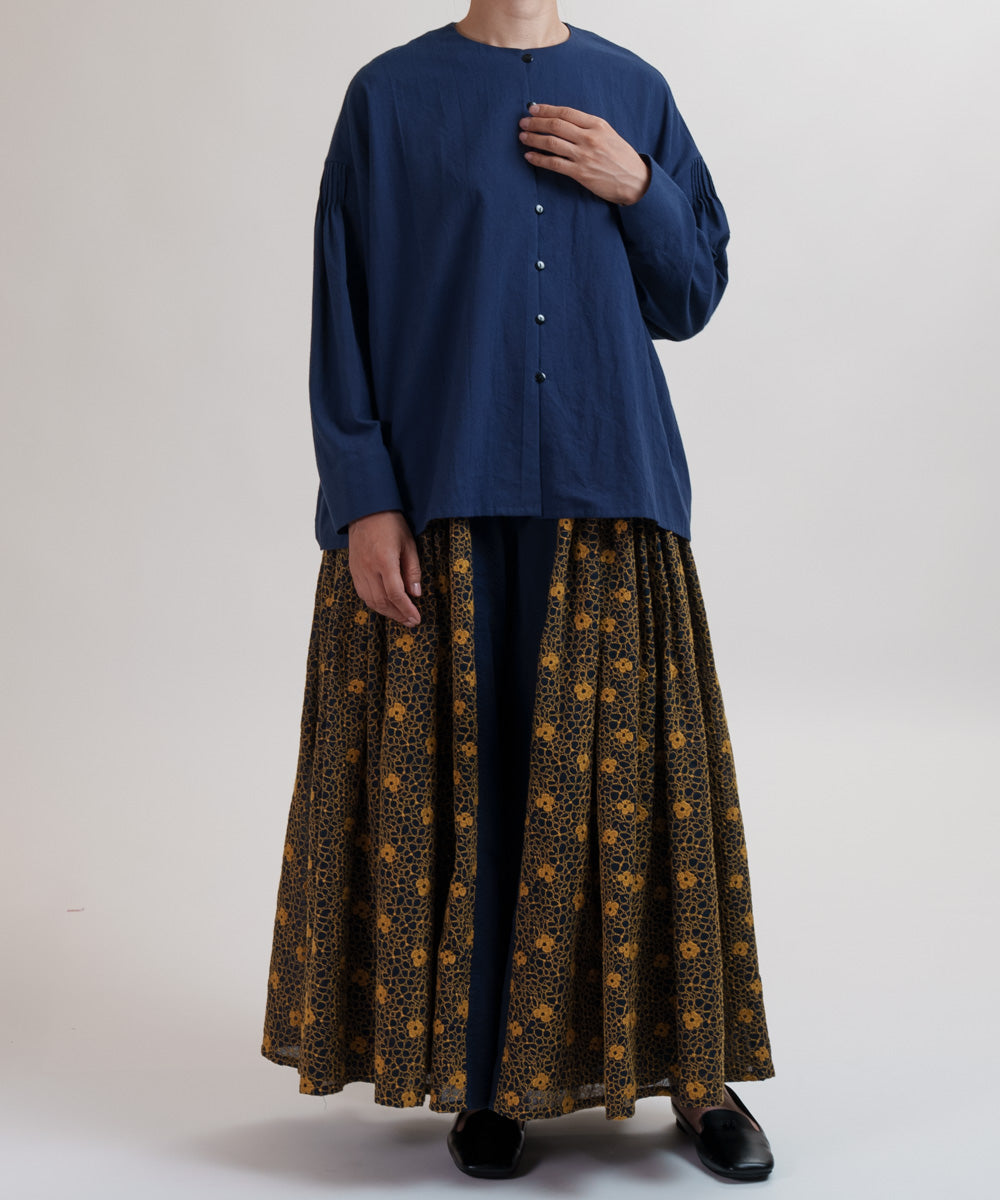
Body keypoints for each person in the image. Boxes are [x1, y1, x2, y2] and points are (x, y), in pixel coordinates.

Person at [261, 1, 777, 1182]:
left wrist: (638, 185)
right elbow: (342, 304)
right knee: (473, 790)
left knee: (639, 796)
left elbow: (690, 295)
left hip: (609, 489)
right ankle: (489, 1075)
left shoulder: (633, 89)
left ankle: (696, 1078)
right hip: (444, 491)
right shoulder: (388, 99)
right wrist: (363, 496)